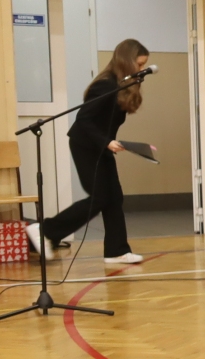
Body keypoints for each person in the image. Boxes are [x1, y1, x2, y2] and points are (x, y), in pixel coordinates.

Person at [29, 38, 151, 265]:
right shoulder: (105, 85)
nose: (142, 69)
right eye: (140, 64)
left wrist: (112, 142)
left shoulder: (123, 85)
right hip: (85, 145)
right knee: (100, 197)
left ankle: (116, 251)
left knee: (114, 197)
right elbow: (84, 119)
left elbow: (107, 121)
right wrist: (106, 142)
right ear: (126, 61)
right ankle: (46, 230)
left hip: (101, 145)